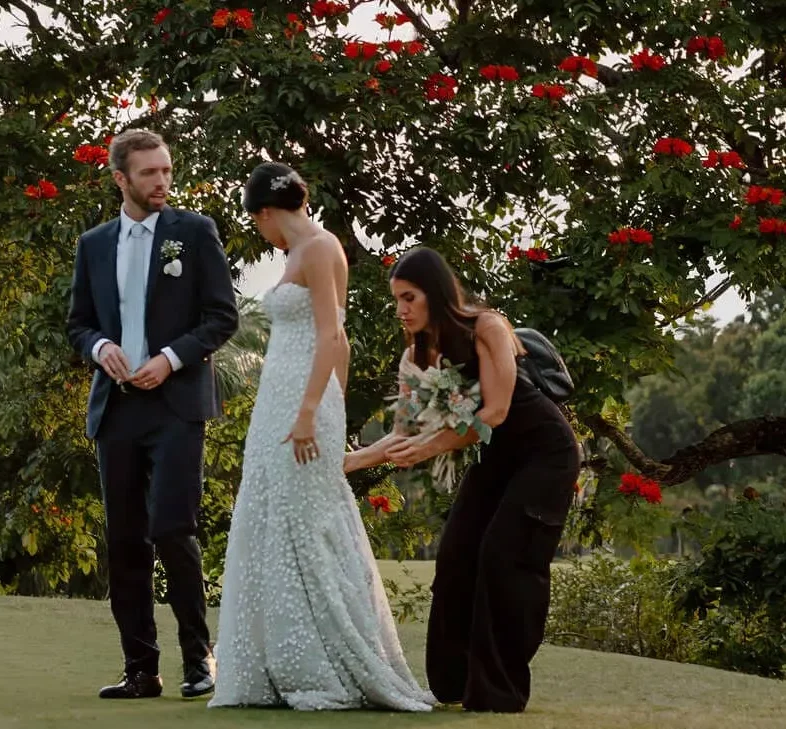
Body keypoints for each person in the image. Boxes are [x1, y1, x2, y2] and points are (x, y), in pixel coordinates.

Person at [208, 162, 435, 712]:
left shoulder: (318, 247)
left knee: (305, 523)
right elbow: (340, 342)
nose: (261, 233)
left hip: (300, 404)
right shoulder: (300, 252)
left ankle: (323, 664)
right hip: (281, 401)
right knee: (271, 515)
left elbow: (334, 336)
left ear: (265, 213)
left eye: (258, 223)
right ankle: (273, 664)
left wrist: (314, 411)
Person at [66, 129, 239, 700]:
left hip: (175, 405)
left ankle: (199, 660)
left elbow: (221, 317)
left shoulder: (194, 233)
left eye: (166, 171)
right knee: (126, 541)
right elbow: (78, 323)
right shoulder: (93, 243)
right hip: (116, 410)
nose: (162, 181)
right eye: (149, 173)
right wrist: (99, 348)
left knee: (173, 529)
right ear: (121, 179)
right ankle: (140, 670)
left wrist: (168, 360)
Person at [370, 246, 579, 713]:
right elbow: (401, 434)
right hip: (497, 457)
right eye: (396, 301)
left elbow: (497, 410)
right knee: (457, 552)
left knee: (504, 557)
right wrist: (342, 463)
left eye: (409, 298)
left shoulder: (488, 327)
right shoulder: (417, 355)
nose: (401, 309)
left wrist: (429, 446)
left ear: (436, 294)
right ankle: (454, 683)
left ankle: (499, 692)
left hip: (545, 454)